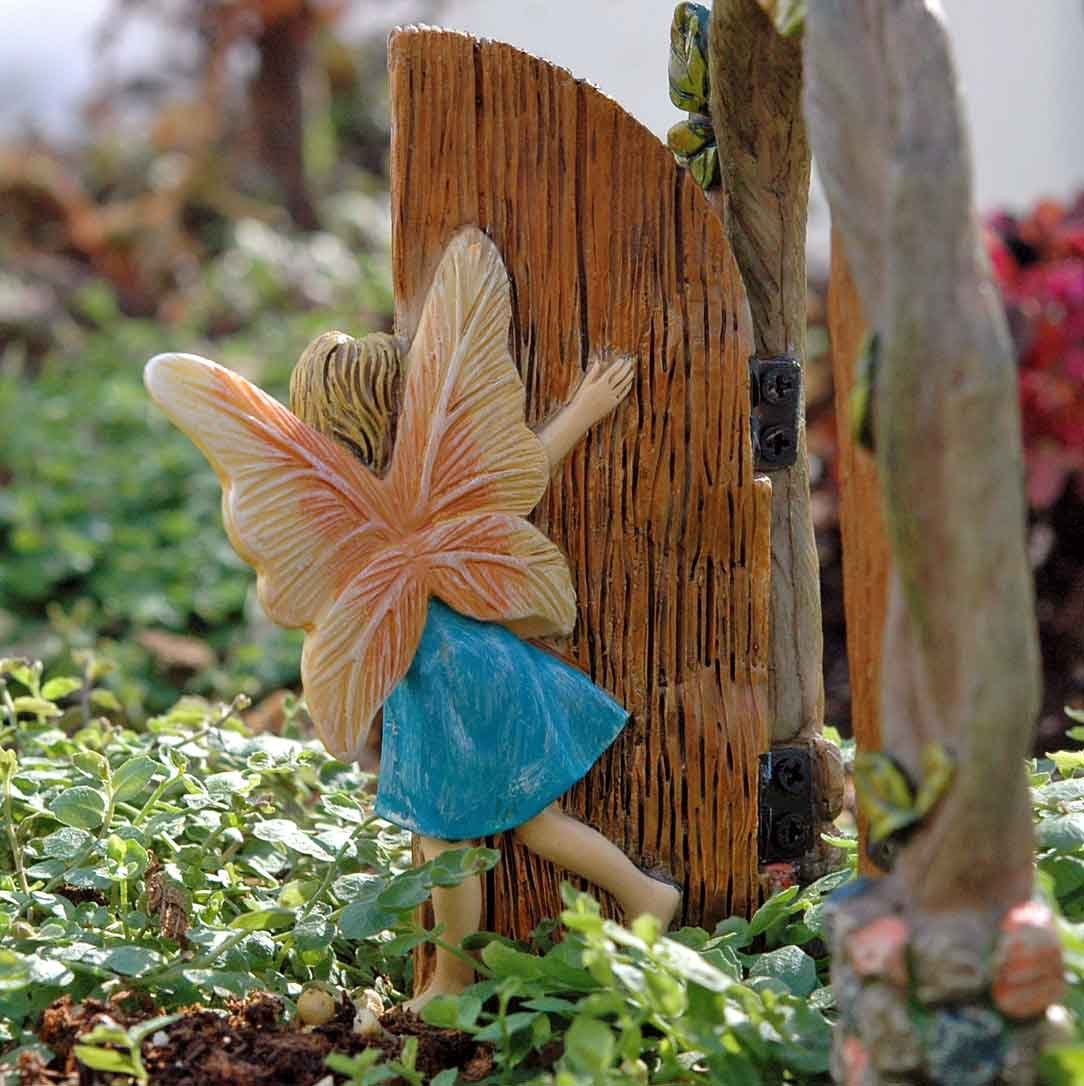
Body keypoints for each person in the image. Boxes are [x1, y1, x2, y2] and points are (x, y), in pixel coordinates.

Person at [145, 227, 680, 1013]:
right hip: (473, 671)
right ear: (403, 402)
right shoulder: (427, 478)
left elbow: (511, 481)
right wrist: (582, 411)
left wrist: (587, 408)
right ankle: (633, 901)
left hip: (443, 684)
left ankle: (460, 979)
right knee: (531, 820)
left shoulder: (338, 510)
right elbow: (516, 475)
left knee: (451, 839)